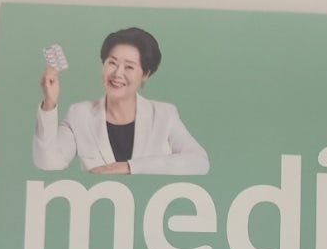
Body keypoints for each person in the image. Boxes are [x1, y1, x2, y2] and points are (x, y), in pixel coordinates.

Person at [33, 28, 209, 175]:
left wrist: (129, 167)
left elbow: (199, 162)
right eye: (112, 63)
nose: (117, 73)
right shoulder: (79, 114)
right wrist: (49, 102)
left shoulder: (164, 115)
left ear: (145, 74)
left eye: (129, 67)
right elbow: (48, 162)